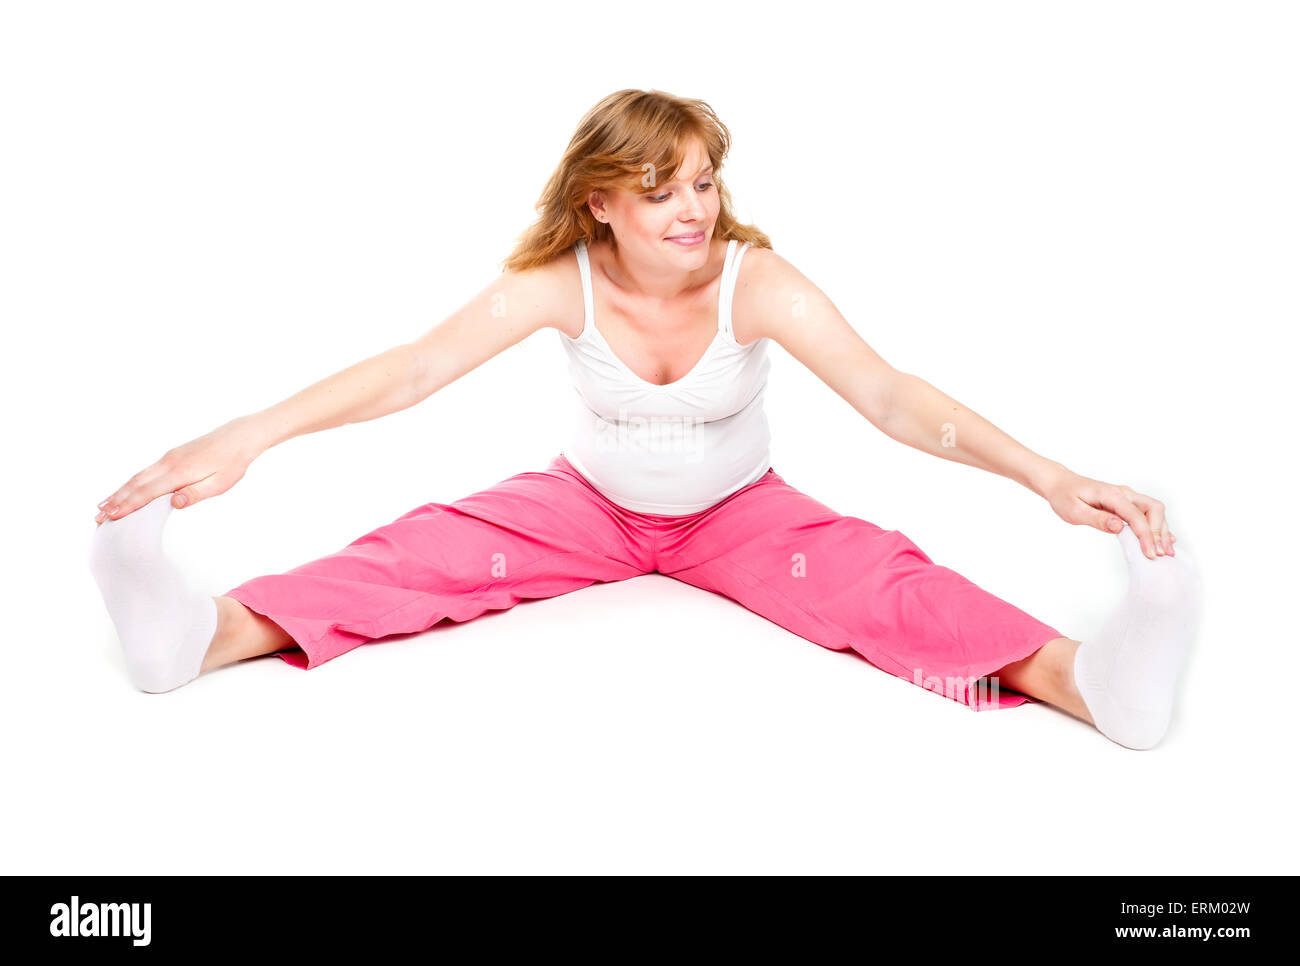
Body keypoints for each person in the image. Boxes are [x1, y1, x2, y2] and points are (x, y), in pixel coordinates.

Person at [88, 88, 1201, 750]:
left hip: (738, 517)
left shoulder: (754, 280)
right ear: (600, 200)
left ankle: (1084, 680)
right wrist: (246, 434)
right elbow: (415, 369)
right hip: (583, 510)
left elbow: (890, 394)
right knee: (414, 558)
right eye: (663, 188)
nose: (693, 208)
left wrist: (1044, 474)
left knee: (882, 587)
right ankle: (203, 635)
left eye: (704, 183)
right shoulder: (557, 280)